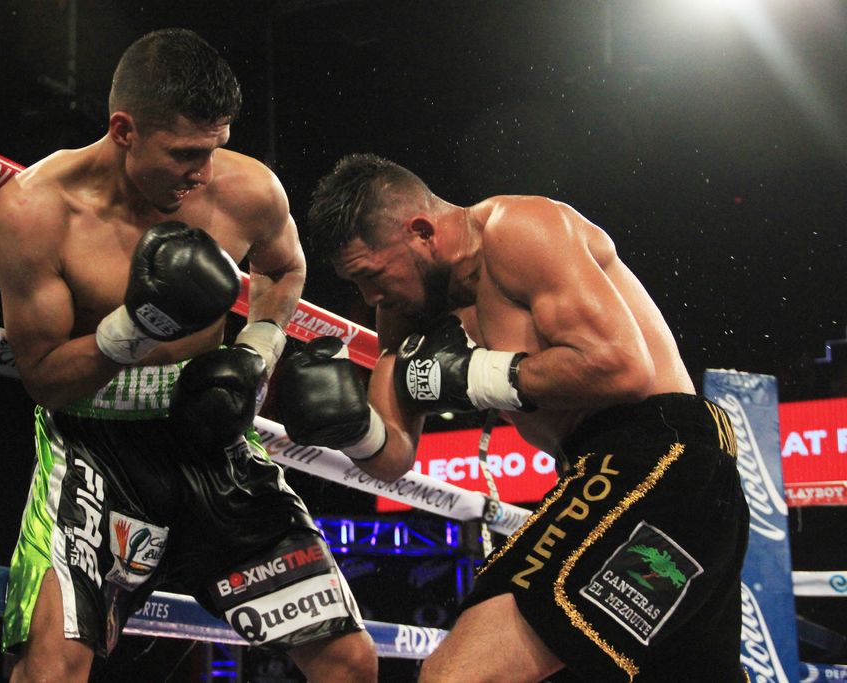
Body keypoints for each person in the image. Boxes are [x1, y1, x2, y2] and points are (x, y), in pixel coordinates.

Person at [0, 30, 377, 683]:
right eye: (186, 154)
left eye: (214, 148)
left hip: (213, 439)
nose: (203, 173)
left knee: (349, 661)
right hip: (97, 446)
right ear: (124, 130)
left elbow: (284, 268)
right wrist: (136, 325)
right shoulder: (37, 211)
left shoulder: (244, 189)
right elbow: (44, 378)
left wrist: (256, 352)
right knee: (48, 672)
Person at [277, 153, 749, 682]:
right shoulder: (403, 307)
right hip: (610, 472)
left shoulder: (519, 230)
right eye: (355, 284)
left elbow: (623, 368)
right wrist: (352, 430)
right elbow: (394, 457)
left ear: (422, 231)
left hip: (659, 451)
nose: (370, 297)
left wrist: (476, 375)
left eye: (371, 274)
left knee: (457, 676)